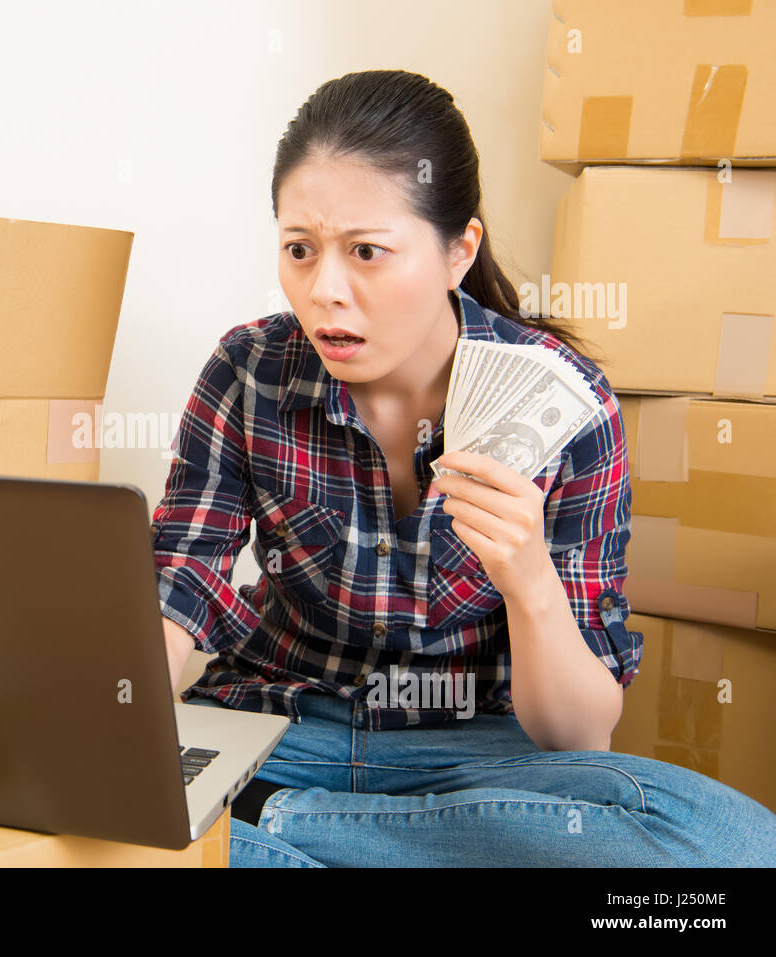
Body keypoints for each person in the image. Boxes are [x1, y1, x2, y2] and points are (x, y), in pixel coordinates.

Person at [151, 69, 776, 867]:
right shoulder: (249, 370)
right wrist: (113, 729)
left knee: (733, 847)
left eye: (367, 251)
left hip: (475, 764)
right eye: (299, 250)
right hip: (276, 732)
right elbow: (180, 590)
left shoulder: (569, 404)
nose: (324, 291)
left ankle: (286, 833)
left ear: (458, 251)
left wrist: (528, 579)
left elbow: (580, 733)